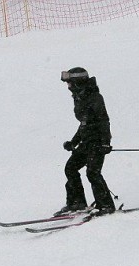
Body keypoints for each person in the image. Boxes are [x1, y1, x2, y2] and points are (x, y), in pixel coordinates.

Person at [56, 67, 115, 216]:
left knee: (92, 173)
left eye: (70, 83)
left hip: (97, 142)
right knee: (70, 168)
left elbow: (103, 121)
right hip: (86, 142)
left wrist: (105, 143)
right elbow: (84, 123)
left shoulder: (95, 98)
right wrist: (74, 142)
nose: (68, 86)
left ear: (77, 82)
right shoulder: (79, 97)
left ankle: (106, 206)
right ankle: (77, 202)